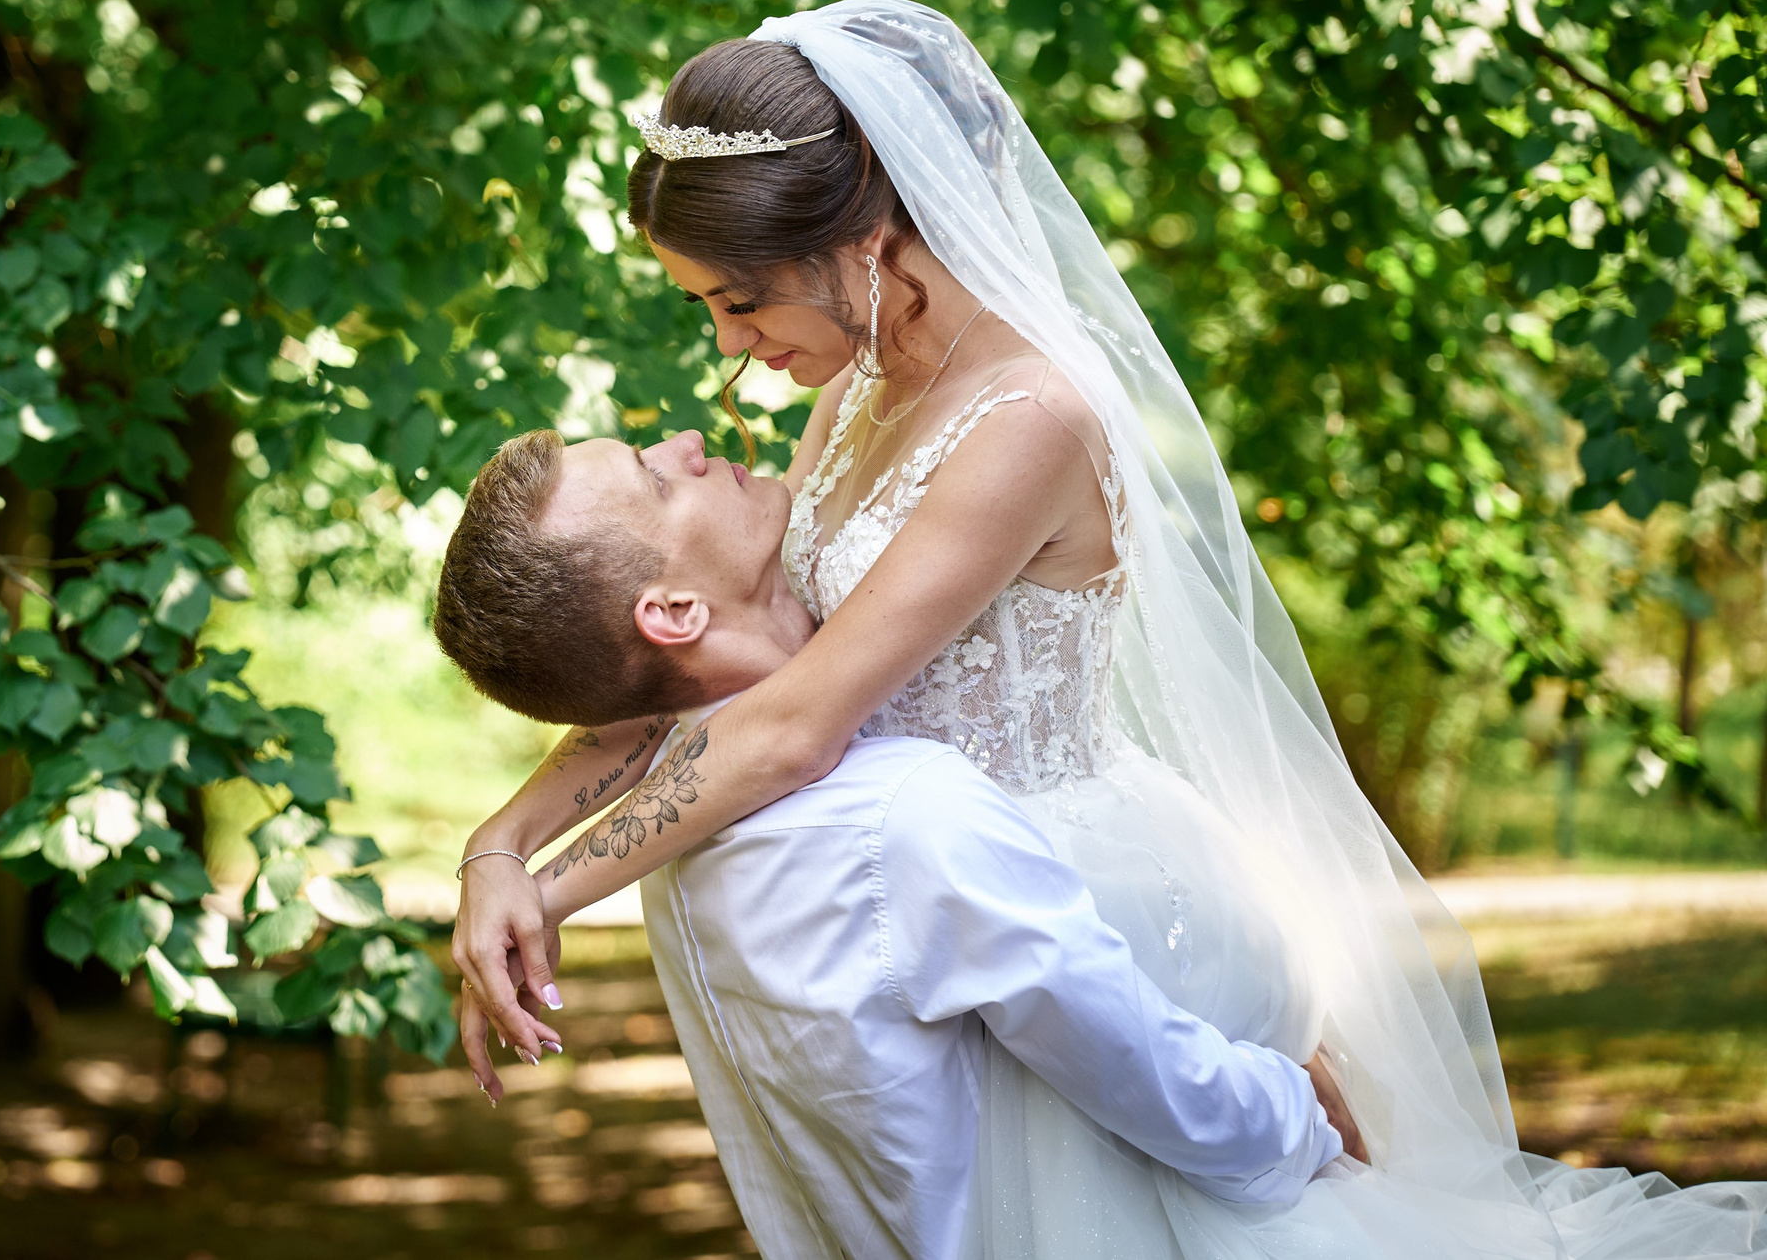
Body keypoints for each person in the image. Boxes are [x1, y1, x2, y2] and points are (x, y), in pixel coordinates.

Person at [436, 0, 1767, 1259]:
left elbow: (787, 723)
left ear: (863, 245)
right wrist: (500, 844)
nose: (731, 348)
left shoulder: (1027, 420)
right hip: (931, 899)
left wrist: (547, 895)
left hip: (1071, 904)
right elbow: (691, 672)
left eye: (739, 301)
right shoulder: (854, 386)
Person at [435, 426, 1360, 1258]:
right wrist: (1299, 1124)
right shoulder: (908, 818)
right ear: (673, 612)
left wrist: (503, 848)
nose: (684, 439)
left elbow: (650, 703)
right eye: (654, 477)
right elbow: (1138, 1066)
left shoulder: (685, 849)